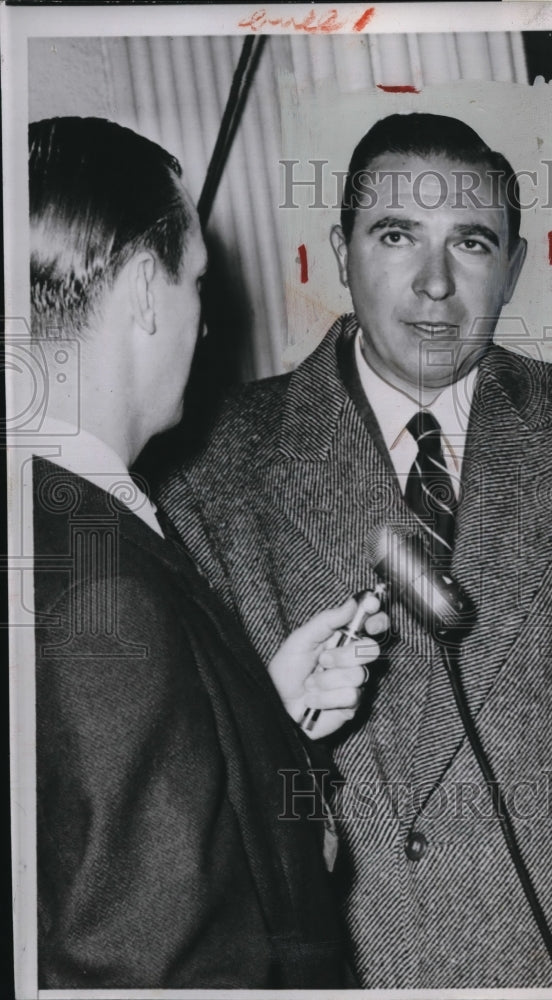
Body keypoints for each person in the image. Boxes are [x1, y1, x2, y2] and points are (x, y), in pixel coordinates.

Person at [159, 113, 552, 988]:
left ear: (511, 268)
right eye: (395, 235)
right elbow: (188, 794)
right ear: (339, 250)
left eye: (470, 243)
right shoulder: (218, 466)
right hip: (383, 963)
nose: (434, 284)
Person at [29, 116, 388, 989]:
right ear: (147, 293)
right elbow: (162, 960)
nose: (201, 322)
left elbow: (87, 827)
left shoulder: (53, 528)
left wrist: (258, 718)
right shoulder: (99, 590)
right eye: (197, 283)